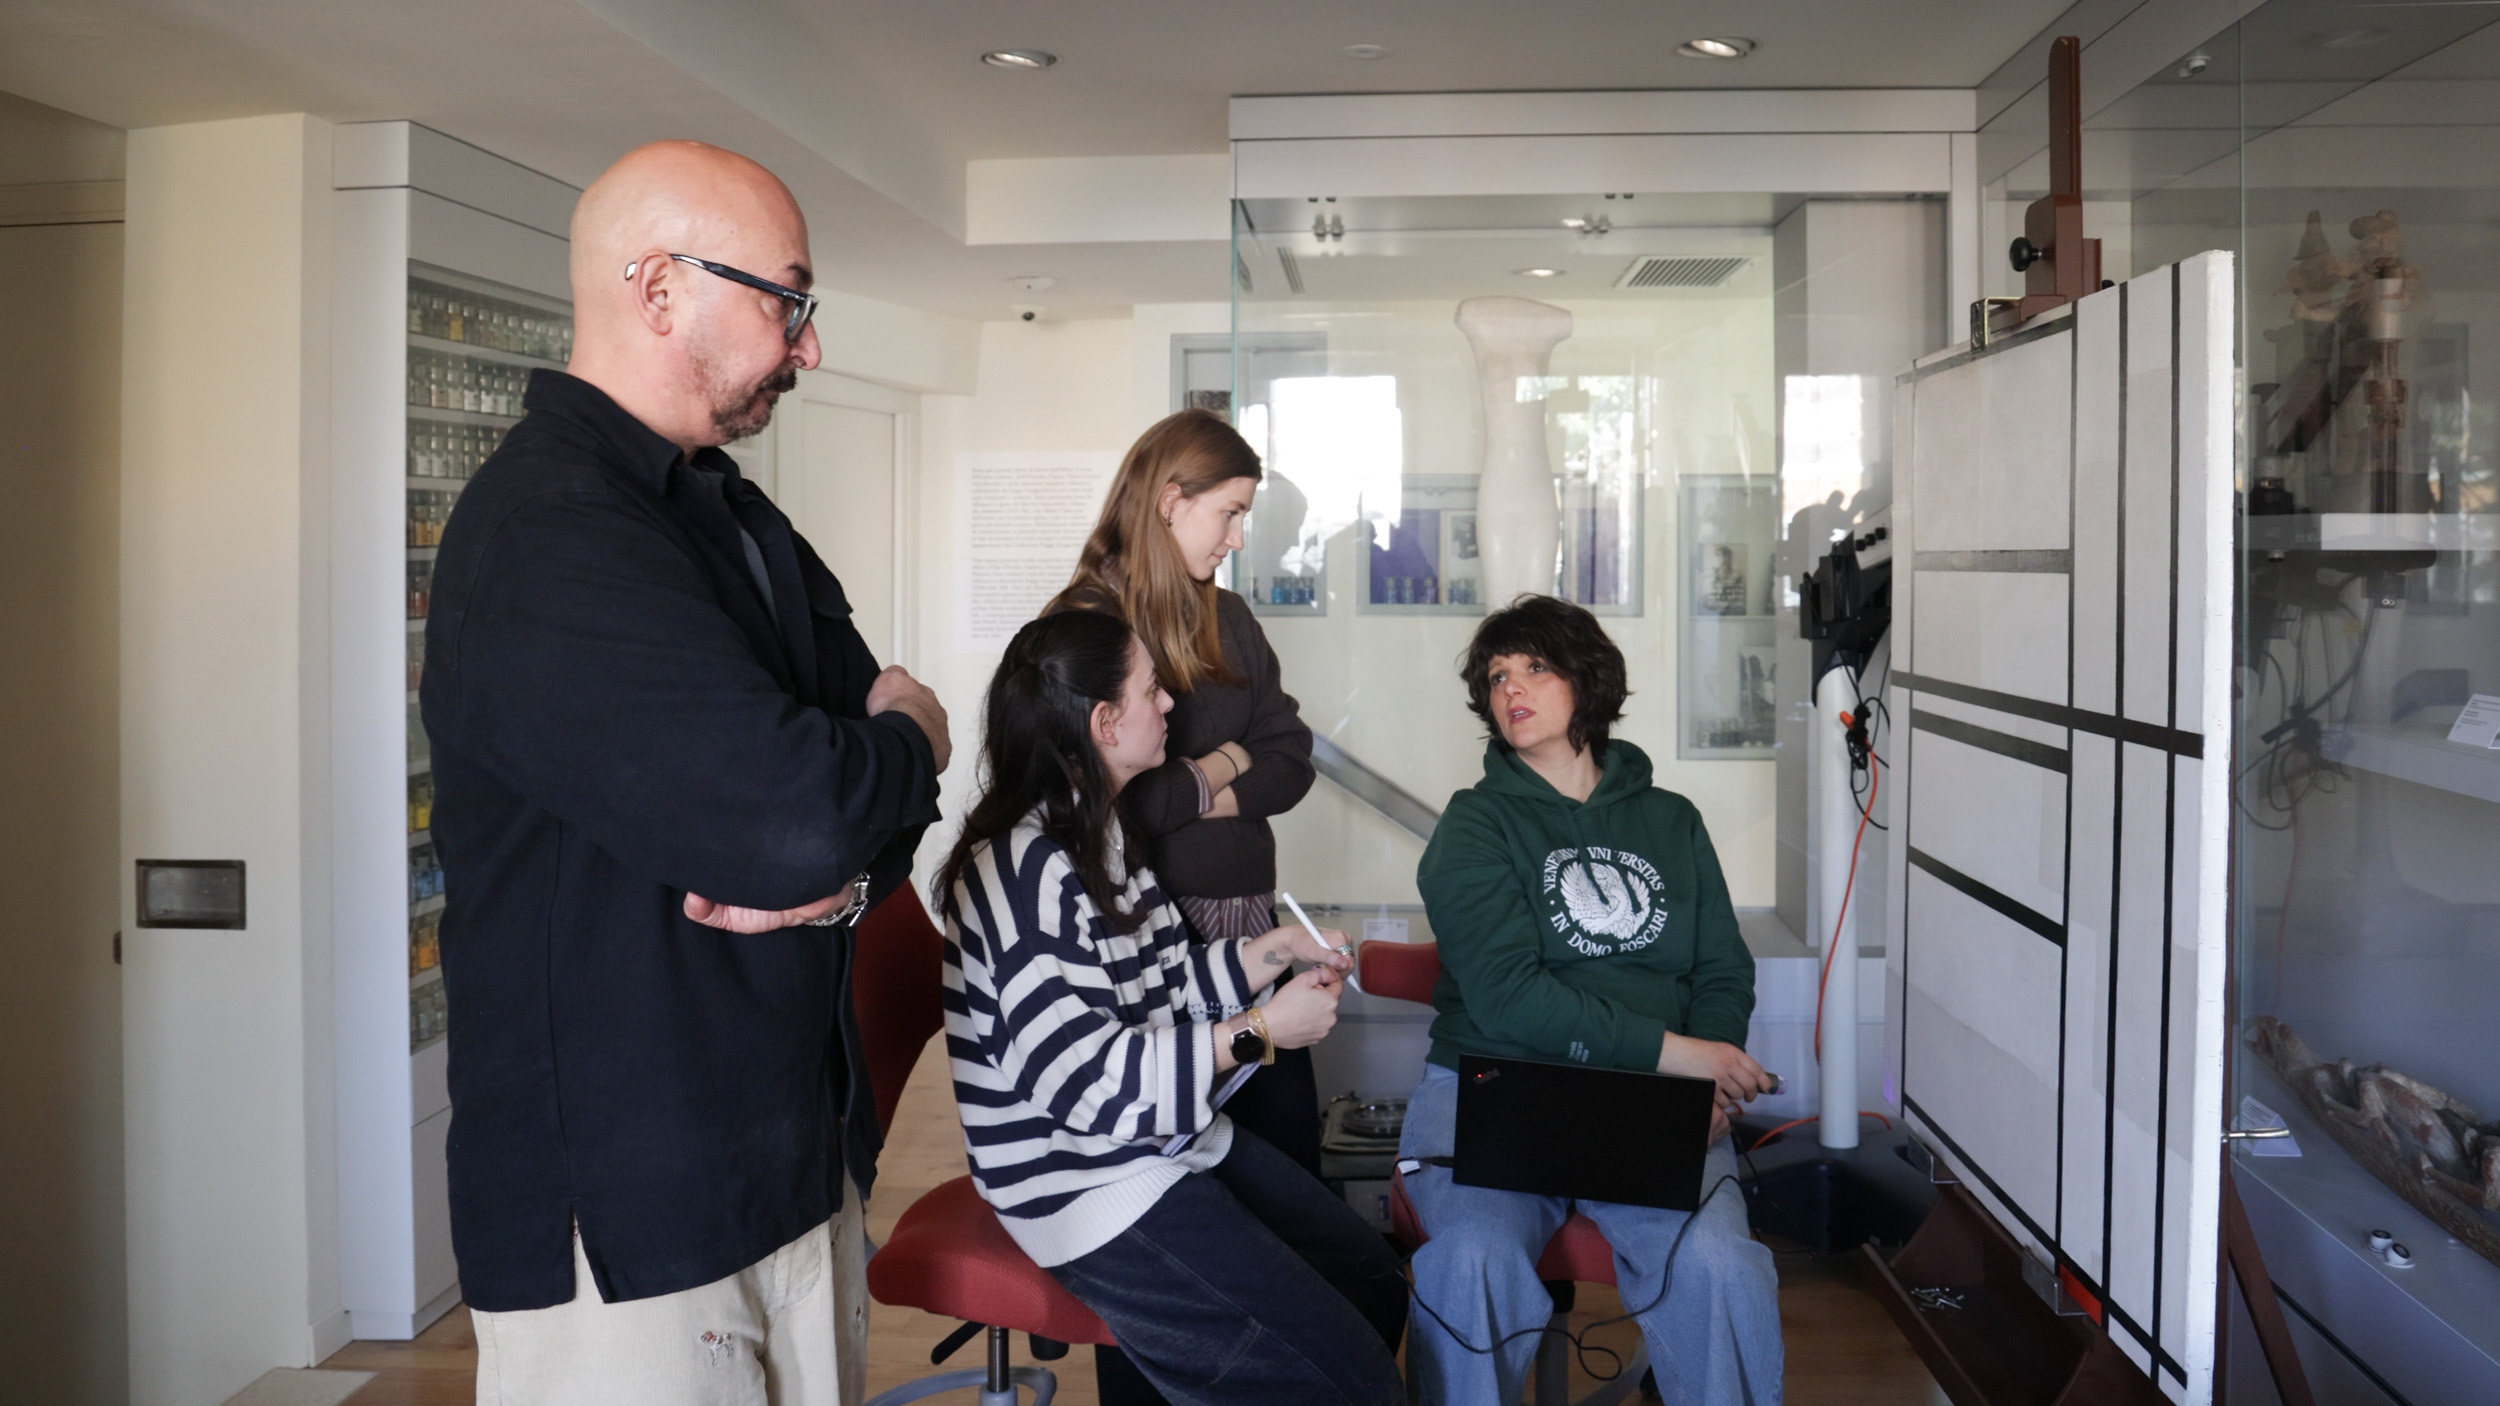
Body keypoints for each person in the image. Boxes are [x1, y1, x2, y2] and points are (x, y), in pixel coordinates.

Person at [421, 140, 949, 1406]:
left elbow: (848, 810)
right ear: (658, 288)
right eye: (788, 299)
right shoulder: (550, 528)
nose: (808, 347)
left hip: (791, 1164)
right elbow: (809, 805)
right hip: (631, 1217)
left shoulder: (728, 511)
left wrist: (843, 858)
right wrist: (911, 743)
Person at [937, 610, 1406, 1406]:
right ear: (1102, 720)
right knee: (1350, 1384)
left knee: (1374, 1280)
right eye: (1152, 690)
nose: (1169, 708)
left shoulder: (1100, 833)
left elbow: (1163, 985)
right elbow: (1090, 1085)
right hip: (1085, 1183)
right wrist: (1262, 1031)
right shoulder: (1025, 868)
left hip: (1162, 1141)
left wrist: (1269, 954)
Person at [1398, 595, 1782, 1406]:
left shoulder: (1672, 821)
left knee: (1720, 1265)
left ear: (1589, 679)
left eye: (1536, 666)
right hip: (1494, 1088)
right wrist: (1682, 1056)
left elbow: (1722, 971)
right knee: (1473, 1262)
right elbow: (1506, 1000)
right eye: (1497, 675)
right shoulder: (1472, 829)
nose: (1512, 689)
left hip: (1647, 1101)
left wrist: (1704, 1080)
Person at [1047, 409, 1319, 1166]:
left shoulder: (1227, 614)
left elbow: (1292, 757)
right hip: (1151, 940)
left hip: (1249, 931)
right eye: (1229, 514)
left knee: (1287, 1152)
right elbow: (1120, 806)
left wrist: (1192, 783)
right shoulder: (1084, 628)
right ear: (1171, 502)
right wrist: (1233, 760)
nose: (1236, 539)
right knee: (1186, 1160)